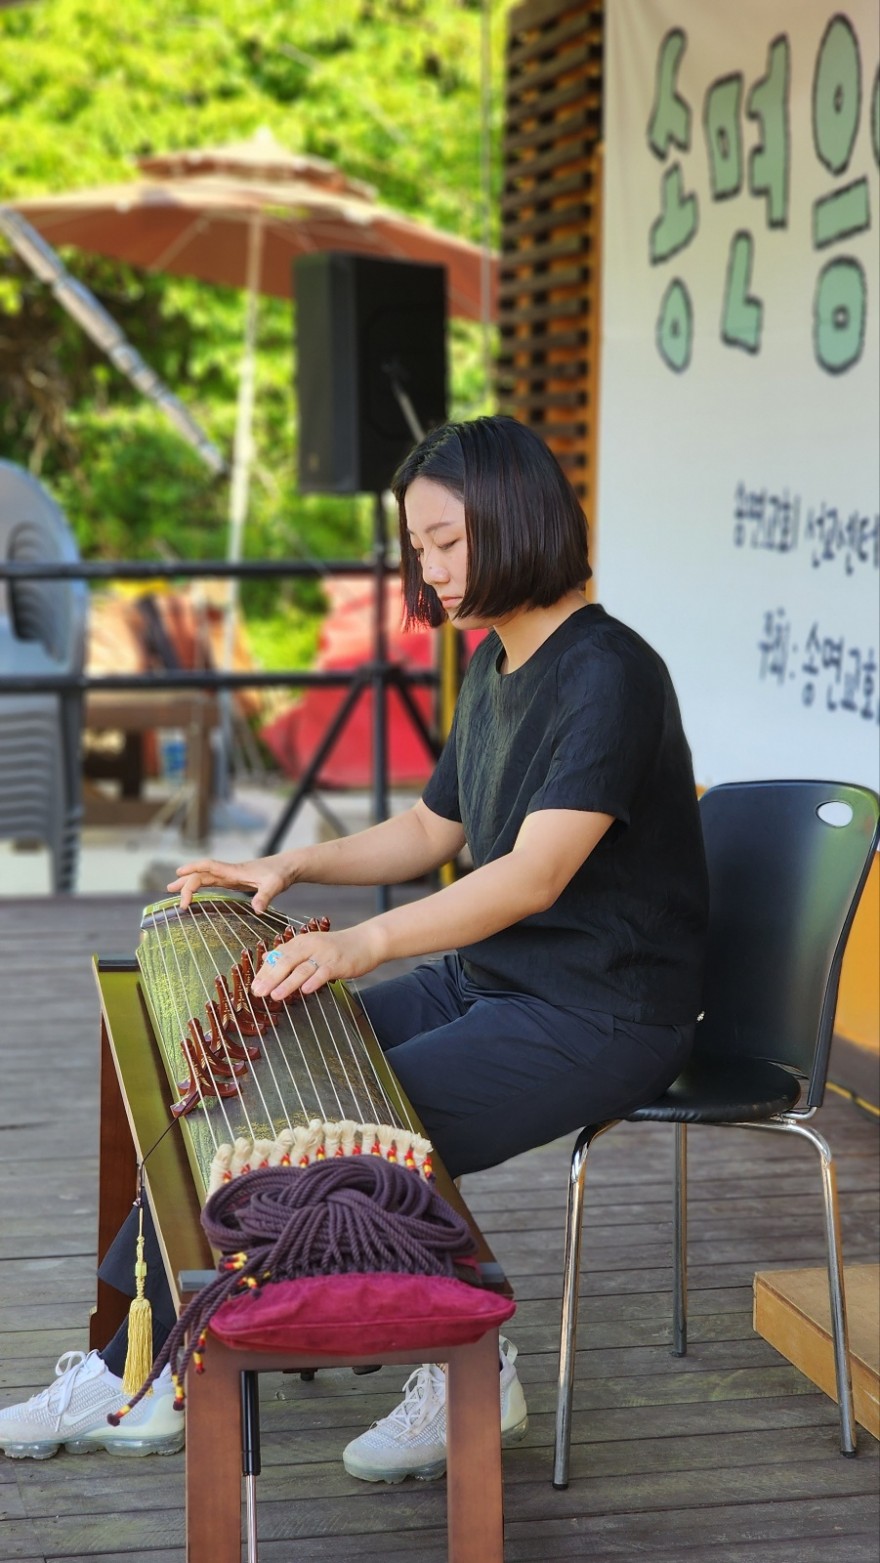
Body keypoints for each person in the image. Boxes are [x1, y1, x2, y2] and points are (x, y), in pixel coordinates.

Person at [0, 415, 709, 1480]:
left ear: (515, 520)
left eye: (446, 542)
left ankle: (475, 1362)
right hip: (498, 982)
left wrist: (360, 945)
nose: (428, 571)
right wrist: (286, 869)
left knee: (346, 1135)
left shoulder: (608, 674)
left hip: (602, 1011)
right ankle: (137, 1369)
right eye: (417, 548)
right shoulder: (497, 666)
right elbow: (433, 831)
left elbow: (533, 875)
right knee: (242, 1066)